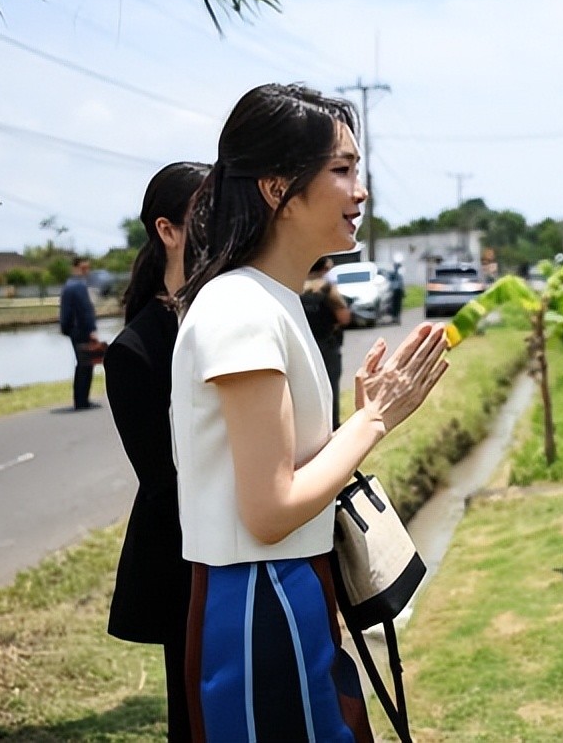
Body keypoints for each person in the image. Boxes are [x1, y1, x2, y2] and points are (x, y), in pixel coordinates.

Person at [171, 82, 449, 742]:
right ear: (277, 188)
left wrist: (362, 418)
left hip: (287, 584)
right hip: (260, 596)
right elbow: (269, 511)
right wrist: (374, 419)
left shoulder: (272, 300)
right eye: (342, 169)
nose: (360, 191)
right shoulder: (242, 308)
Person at [104, 161, 208, 741]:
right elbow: (165, 481)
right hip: (186, 568)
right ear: (167, 231)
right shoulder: (136, 351)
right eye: (207, 213)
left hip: (248, 552)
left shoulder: (233, 312)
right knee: (196, 721)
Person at [300, 255, 351, 430]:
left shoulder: (295, 289)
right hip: (327, 345)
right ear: (324, 268)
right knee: (331, 387)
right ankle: (332, 426)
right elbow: (343, 316)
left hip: (304, 346)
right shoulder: (327, 289)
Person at [59, 256, 100, 410]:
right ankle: (82, 400)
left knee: (82, 364)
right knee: (86, 365)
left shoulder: (68, 286)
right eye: (83, 268)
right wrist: (91, 330)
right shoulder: (78, 286)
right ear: (75, 268)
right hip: (82, 330)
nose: (86, 272)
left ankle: (80, 399)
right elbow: (85, 311)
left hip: (73, 330)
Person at [387, 260, 405, 325]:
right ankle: (395, 317)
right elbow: (390, 283)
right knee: (394, 305)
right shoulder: (392, 274)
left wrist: (403, 292)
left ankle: (397, 318)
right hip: (394, 292)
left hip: (398, 291)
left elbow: (401, 284)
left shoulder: (400, 274)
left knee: (398, 305)